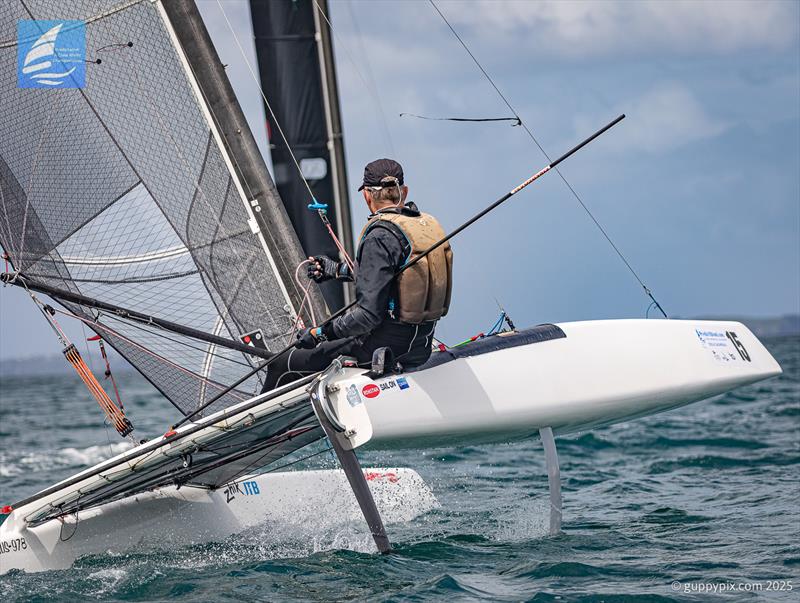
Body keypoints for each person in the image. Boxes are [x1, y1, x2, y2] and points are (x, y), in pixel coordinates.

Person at [262, 158, 453, 392]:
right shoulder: (422, 226)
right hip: (420, 345)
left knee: (283, 364)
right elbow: (397, 278)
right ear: (403, 192)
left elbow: (367, 316)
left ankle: (260, 428)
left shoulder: (380, 236)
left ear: (367, 196)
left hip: (381, 350)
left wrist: (320, 333)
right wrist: (337, 270)